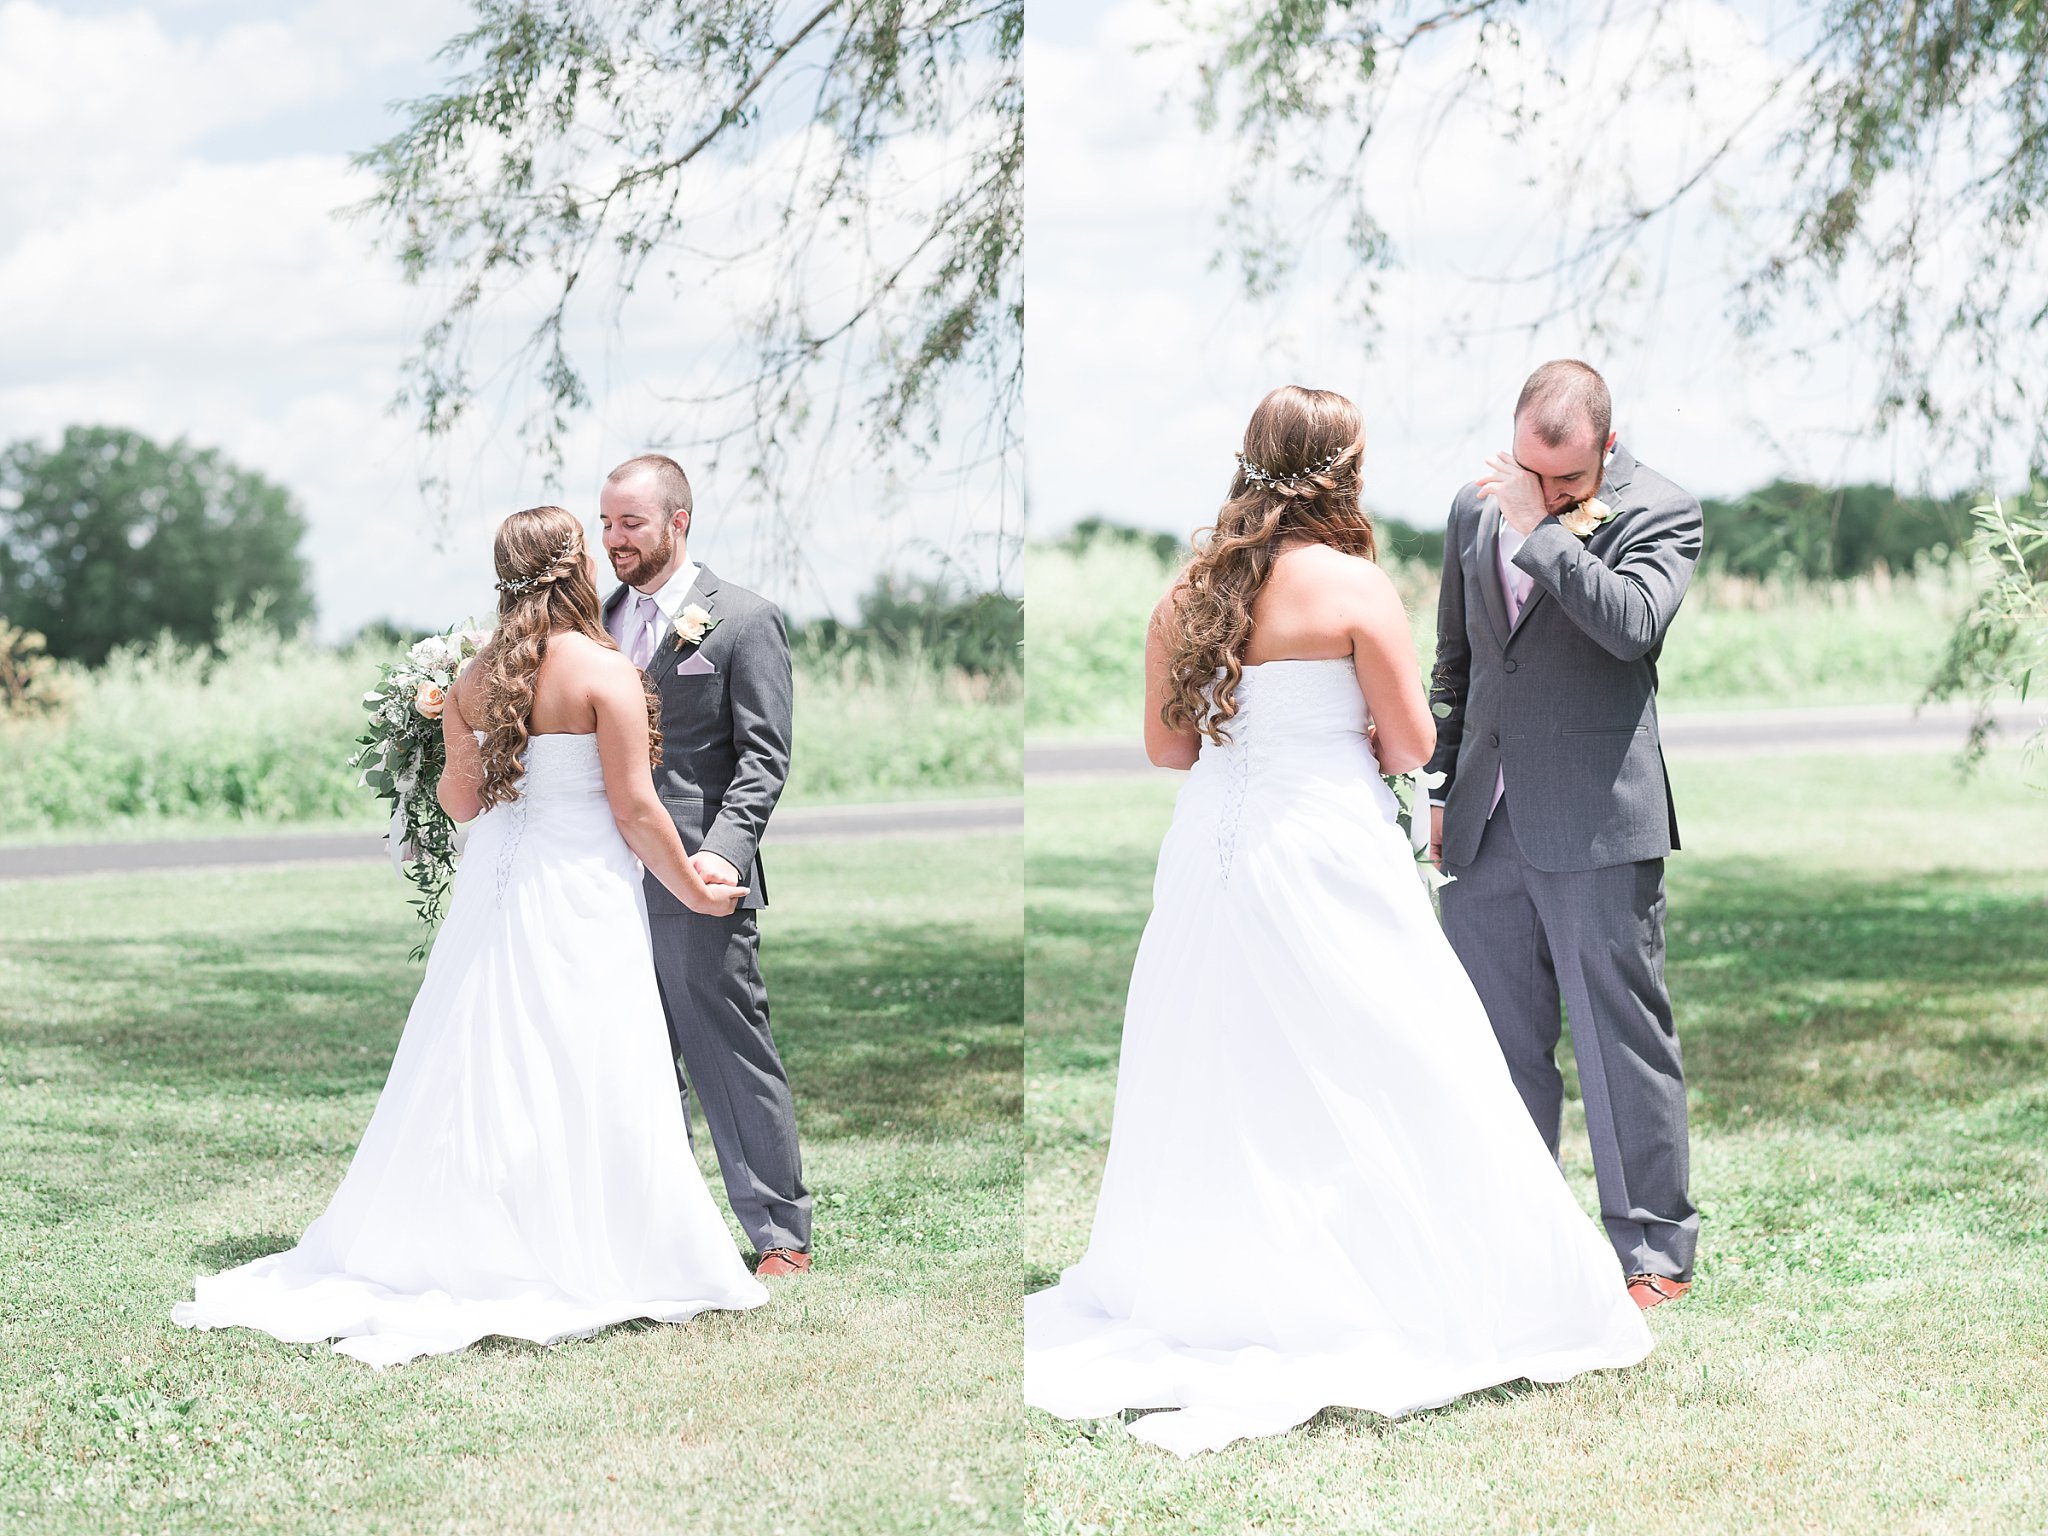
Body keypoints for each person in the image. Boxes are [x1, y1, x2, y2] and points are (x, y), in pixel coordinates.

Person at [1023, 385, 1651, 1456]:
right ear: (1340, 471)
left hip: (1211, 851)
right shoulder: (1354, 587)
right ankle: (1384, 1273)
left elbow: (1169, 751)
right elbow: (1410, 744)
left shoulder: (1187, 596)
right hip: (1322, 846)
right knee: (1387, 1054)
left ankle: (1220, 1282)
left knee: (1219, 1062)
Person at [173, 506, 767, 1365]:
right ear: (576, 571)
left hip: (496, 893)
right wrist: (699, 891)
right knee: (583, 1056)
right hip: (579, 895)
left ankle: (472, 1233)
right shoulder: (602, 673)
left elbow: (460, 803)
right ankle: (595, 1245)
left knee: (474, 1054)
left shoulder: (472, 680)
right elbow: (638, 811)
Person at [1427, 359, 1703, 1308]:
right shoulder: (1472, 510)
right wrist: (1439, 786)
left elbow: (1629, 625)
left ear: (1607, 447)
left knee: (1621, 1043)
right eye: (1530, 474)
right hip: (1484, 820)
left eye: (1567, 483)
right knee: (1496, 1046)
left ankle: (1654, 1255)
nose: (1544, 493)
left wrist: (1541, 532)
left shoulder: (1663, 510)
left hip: (1596, 823)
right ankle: (1518, 1241)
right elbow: (1457, 658)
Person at [598, 454, 811, 1275]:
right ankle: (654, 1233)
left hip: (697, 875)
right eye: (607, 522)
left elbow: (764, 757)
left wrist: (720, 857)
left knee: (726, 1048)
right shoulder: (594, 620)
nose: (613, 539)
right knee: (627, 1052)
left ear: (677, 521)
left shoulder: (744, 620)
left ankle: (779, 1234)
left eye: (631, 523)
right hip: (601, 875)